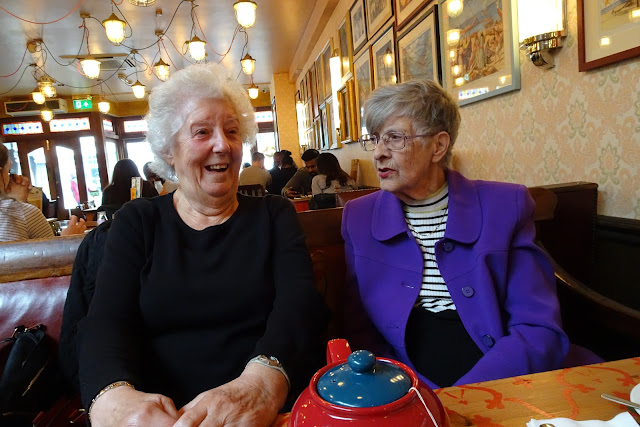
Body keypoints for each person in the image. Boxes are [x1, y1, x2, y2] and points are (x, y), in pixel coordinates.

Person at [78, 62, 327, 427]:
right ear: (169, 150)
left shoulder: (274, 214)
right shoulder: (138, 221)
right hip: (164, 415)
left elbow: (298, 305)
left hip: (264, 405)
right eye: (202, 132)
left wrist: (262, 383)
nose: (222, 145)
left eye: (231, 131)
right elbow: (106, 321)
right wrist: (112, 398)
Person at [341, 79, 601, 391]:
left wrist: (468, 394)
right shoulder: (359, 216)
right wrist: (414, 392)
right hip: (405, 380)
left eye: (394, 138)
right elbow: (360, 332)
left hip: (502, 369)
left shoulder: (505, 205)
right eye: (375, 139)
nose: (379, 153)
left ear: (438, 146)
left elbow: (537, 326)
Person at [0, 142, 86, 241]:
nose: (11, 178)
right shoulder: (23, 213)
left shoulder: (18, 212)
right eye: (8, 172)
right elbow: (51, 251)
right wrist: (68, 239)